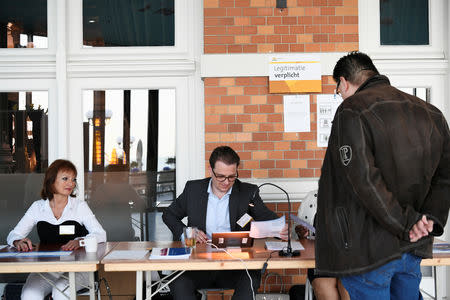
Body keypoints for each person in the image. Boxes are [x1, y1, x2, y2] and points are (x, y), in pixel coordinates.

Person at [315, 51, 450, 299]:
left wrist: (406, 224)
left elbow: (364, 180)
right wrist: (429, 219)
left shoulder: (351, 110)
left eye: (338, 90)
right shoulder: (432, 114)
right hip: (413, 247)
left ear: (344, 82)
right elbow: (445, 178)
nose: (340, 95)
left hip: (371, 250)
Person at [162, 145, 288, 300]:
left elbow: (269, 219)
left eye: (231, 177)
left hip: (235, 265)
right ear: (210, 170)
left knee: (250, 279)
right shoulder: (193, 190)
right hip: (197, 265)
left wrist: (280, 229)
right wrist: (186, 232)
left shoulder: (247, 192)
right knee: (178, 282)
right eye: (220, 176)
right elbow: (169, 215)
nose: (226, 182)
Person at [7, 159, 107, 300]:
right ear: (51, 180)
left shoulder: (79, 206)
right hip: (48, 268)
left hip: (79, 268)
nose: (71, 183)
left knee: (61, 292)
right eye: (65, 178)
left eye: (73, 179)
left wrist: (80, 241)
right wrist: (18, 241)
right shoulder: (38, 207)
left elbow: (101, 234)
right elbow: (14, 234)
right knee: (30, 294)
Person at [294, 190, 349, 300]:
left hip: (351, 262)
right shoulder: (311, 198)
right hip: (321, 262)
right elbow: (294, 237)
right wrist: (301, 234)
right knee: (323, 287)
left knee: (348, 286)